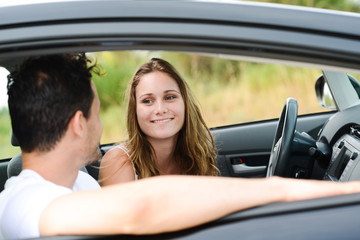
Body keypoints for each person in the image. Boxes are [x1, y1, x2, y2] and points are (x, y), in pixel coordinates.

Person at [1, 53, 360, 240]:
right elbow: (141, 208)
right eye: (97, 113)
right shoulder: (23, 203)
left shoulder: (77, 184)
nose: (101, 126)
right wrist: (279, 191)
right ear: (80, 124)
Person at [99, 58, 218, 186]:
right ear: (135, 110)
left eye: (170, 97)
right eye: (147, 101)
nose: (160, 109)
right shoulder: (119, 162)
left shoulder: (198, 154)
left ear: (185, 103)